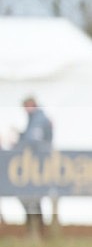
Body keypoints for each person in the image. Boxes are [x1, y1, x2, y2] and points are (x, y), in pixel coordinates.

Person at [15, 96, 53, 239]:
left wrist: (19, 143)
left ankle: (36, 231)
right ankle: (37, 231)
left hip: (36, 166)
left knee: (31, 197)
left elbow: (34, 142)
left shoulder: (39, 119)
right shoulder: (35, 119)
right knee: (33, 198)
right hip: (36, 165)